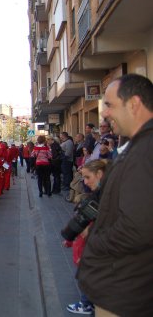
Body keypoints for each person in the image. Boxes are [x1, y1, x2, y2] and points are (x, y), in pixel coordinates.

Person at [78, 74, 153, 317]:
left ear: (134, 104)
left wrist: (96, 240)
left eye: (109, 105)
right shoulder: (138, 145)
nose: (104, 114)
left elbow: (137, 228)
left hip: (126, 288)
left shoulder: (144, 152)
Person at [65, 159, 109, 315]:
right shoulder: (100, 194)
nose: (84, 182)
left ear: (99, 174)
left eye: (87, 177)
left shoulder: (107, 195)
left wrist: (90, 230)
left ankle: (87, 304)